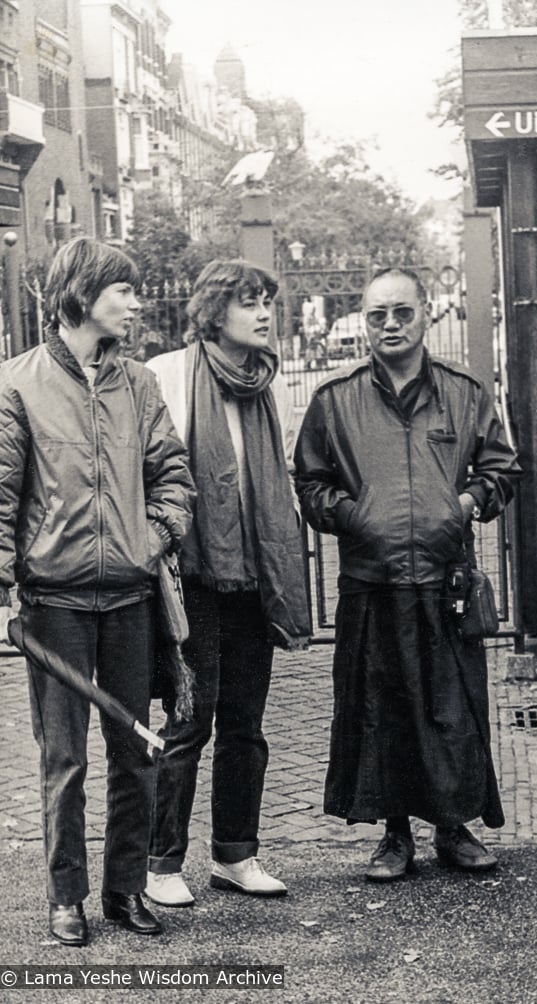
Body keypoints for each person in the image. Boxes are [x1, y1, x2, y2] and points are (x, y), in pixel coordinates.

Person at [294, 267, 521, 882]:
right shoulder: (334, 400)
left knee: (452, 708)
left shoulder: (465, 393)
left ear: (426, 315)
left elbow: (501, 469)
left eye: (402, 313)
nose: (390, 325)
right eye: (376, 315)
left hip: (445, 580)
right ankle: (394, 836)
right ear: (363, 322)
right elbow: (310, 484)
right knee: (381, 709)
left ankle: (453, 827)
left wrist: (466, 505)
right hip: (371, 580)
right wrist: (353, 515)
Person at [0, 238, 195, 946]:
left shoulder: (138, 384)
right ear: (82, 294)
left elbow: (173, 475)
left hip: (129, 602)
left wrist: (153, 538)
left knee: (134, 750)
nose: (135, 302)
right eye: (123, 290)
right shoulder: (16, 385)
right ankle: (65, 896)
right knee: (64, 758)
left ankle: (125, 888)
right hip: (54, 605)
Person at [145, 259, 310, 908]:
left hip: (252, 576)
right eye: (248, 302)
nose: (264, 312)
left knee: (246, 723)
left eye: (267, 300)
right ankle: (161, 864)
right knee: (190, 720)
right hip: (192, 577)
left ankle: (235, 856)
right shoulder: (168, 375)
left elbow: (276, 485)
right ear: (214, 312)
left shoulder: (267, 383)